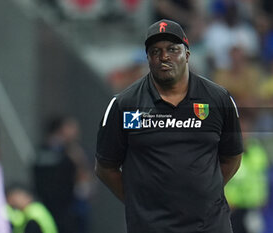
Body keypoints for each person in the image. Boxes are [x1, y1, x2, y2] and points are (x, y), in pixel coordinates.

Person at [95, 19, 243, 233]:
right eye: (155, 51)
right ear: (148, 59)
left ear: (188, 55)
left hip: (209, 226)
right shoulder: (125, 105)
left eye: (173, 49)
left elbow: (232, 158)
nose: (164, 57)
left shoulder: (218, 99)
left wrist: (205, 195)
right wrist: (141, 205)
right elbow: (105, 168)